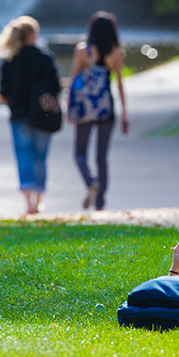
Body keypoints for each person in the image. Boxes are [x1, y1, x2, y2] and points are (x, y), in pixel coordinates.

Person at [0, 16, 61, 215]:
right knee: (40, 157)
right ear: (32, 35)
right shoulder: (45, 58)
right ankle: (39, 201)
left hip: (19, 115)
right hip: (43, 116)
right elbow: (56, 88)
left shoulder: (10, 61)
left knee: (24, 156)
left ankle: (28, 203)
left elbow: (3, 91)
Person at [68, 11, 129, 211]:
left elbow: (73, 80)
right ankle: (101, 203)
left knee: (79, 153)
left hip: (85, 109)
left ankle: (90, 181)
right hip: (106, 109)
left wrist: (70, 108)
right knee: (102, 157)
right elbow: (119, 85)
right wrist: (125, 114)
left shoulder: (82, 50)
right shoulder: (115, 53)